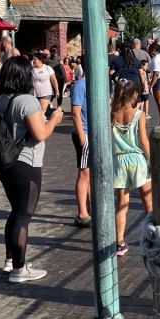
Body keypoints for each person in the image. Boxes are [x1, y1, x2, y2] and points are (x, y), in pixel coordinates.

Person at [0, 56, 64, 282]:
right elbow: (40, 133)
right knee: (24, 215)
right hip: (26, 162)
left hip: (5, 163)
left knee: (15, 212)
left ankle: (10, 261)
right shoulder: (27, 101)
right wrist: (54, 119)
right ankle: (19, 270)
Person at [111, 80, 152, 257]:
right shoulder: (139, 114)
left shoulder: (112, 114)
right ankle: (152, 237)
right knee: (148, 201)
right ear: (134, 94)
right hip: (137, 160)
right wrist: (152, 160)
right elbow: (143, 140)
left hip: (119, 161)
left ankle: (119, 242)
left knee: (122, 203)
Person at [69, 66, 91, 228]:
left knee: (90, 173)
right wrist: (82, 136)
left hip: (93, 133)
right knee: (84, 173)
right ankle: (82, 212)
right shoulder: (80, 85)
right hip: (84, 133)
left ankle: (89, 208)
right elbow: (75, 112)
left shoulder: (94, 84)